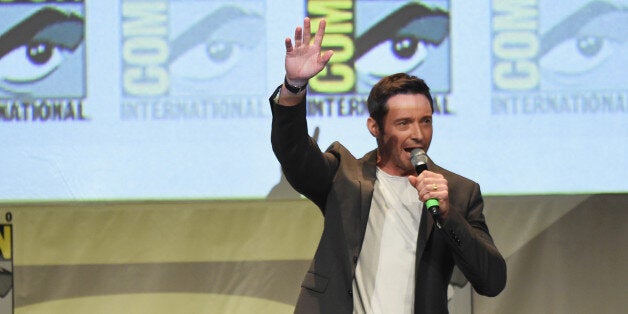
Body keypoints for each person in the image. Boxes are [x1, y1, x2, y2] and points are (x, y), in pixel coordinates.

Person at [269, 17, 506, 314]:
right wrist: (294, 87)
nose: (418, 134)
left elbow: (492, 281)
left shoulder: (457, 192)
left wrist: (448, 215)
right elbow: (293, 152)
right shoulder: (342, 177)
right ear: (375, 127)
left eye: (426, 121)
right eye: (404, 123)